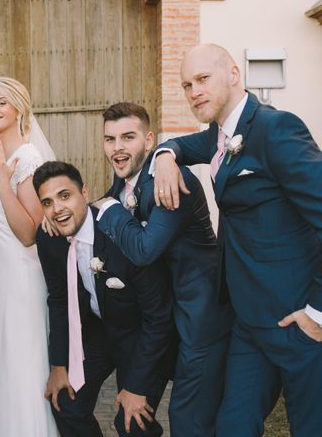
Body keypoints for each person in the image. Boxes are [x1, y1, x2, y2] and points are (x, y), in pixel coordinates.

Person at [152, 43, 322, 436]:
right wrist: (163, 155)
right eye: (186, 85)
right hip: (248, 321)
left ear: (233, 74)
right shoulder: (218, 135)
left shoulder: (275, 129)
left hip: (298, 321)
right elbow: (178, 144)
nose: (193, 90)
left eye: (202, 79)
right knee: (233, 426)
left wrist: (316, 313)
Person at [95, 102, 232, 436]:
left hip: (198, 321)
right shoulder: (122, 184)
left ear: (149, 139)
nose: (118, 148)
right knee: (130, 421)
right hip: (160, 323)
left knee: (189, 423)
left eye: (128, 137)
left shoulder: (173, 181)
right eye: (110, 139)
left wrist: (110, 210)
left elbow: (143, 250)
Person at [33, 161, 175, 437]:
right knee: (65, 402)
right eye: (47, 202)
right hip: (97, 332)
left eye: (65, 196)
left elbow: (159, 318)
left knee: (133, 421)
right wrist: (60, 365)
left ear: (84, 193)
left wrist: (136, 387)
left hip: (140, 335)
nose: (57, 209)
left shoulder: (121, 233)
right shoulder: (49, 238)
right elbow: (60, 299)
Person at [0, 76, 58, 436]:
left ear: (19, 107)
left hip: (21, 282)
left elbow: (28, 233)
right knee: (0, 366)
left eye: (0, 102)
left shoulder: (28, 159)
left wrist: (2, 181)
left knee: (21, 366)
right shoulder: (0, 158)